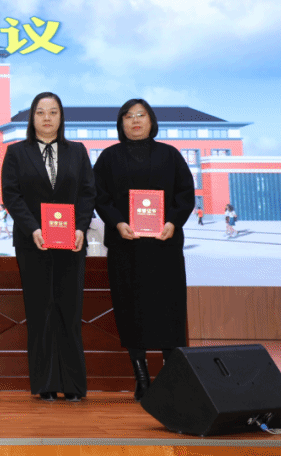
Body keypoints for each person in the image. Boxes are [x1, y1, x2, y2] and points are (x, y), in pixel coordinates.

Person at [93, 98, 195, 401]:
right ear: (120, 123)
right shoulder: (109, 158)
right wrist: (117, 223)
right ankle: (141, 377)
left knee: (169, 310)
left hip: (164, 246)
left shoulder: (170, 155)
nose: (135, 120)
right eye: (128, 116)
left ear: (151, 121)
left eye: (141, 115)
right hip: (126, 246)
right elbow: (99, 197)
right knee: (130, 309)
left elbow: (185, 194)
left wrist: (173, 222)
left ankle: (170, 377)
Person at [1, 92, 95, 402]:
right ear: (32, 117)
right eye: (40, 112)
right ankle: (45, 384)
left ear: (61, 117)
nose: (47, 117)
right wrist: (33, 228)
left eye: (53, 112)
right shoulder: (16, 152)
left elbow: (87, 193)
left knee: (69, 311)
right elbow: (11, 195)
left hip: (71, 243)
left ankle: (74, 385)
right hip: (33, 244)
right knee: (40, 312)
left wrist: (80, 227)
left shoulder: (77, 151)